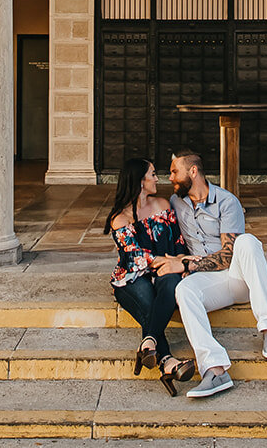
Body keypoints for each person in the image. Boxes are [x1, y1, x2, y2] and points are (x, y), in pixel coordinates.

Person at [148, 148, 267, 399]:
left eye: (175, 171)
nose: (170, 177)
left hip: (238, 278)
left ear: (193, 171)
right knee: (184, 290)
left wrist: (187, 265)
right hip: (211, 283)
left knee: (247, 242)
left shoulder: (226, 201)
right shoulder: (176, 202)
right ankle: (215, 369)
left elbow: (229, 255)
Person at [105, 157, 197, 396]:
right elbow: (135, 258)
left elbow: (178, 240)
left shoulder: (163, 205)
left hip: (164, 269)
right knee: (148, 303)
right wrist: (172, 261)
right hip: (132, 278)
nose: (158, 178)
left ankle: (149, 344)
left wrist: (178, 261)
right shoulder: (120, 218)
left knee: (171, 282)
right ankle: (167, 360)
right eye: (153, 174)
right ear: (140, 181)